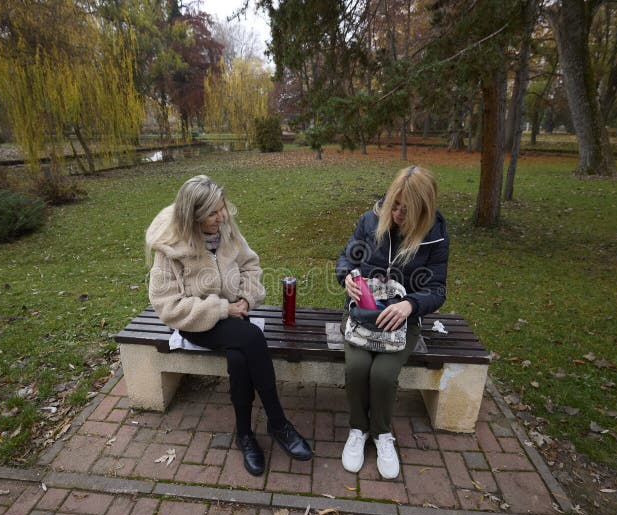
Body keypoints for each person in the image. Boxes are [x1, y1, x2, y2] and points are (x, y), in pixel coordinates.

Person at [145, 175, 312, 476]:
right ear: (192, 216)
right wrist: (223, 308)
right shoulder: (169, 248)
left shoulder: (226, 230)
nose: (221, 217)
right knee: (252, 338)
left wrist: (246, 299)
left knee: (239, 355)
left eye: (222, 208)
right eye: (212, 213)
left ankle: (245, 434)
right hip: (196, 321)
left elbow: (251, 266)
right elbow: (168, 307)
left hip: (236, 314)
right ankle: (278, 422)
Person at [335, 165, 449, 479]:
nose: (397, 213)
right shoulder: (370, 220)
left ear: (424, 209)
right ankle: (358, 429)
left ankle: (382, 434)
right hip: (361, 315)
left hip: (402, 321)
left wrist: (411, 304)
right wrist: (346, 277)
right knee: (357, 368)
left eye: (407, 209)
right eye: (394, 205)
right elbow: (347, 257)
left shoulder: (435, 236)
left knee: (383, 374)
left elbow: (437, 290)